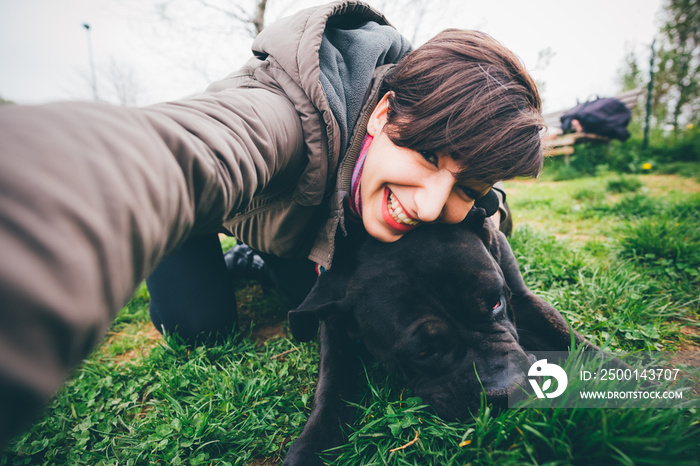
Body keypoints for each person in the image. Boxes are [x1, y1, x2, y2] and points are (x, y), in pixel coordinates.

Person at [0, 0, 543, 445]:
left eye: (463, 187)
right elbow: (162, 157)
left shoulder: (449, 192)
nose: (429, 207)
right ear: (383, 114)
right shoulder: (281, 116)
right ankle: (239, 256)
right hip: (197, 208)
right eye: (426, 157)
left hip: (300, 236)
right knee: (197, 326)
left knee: (297, 283)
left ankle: (269, 260)